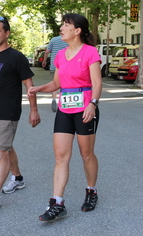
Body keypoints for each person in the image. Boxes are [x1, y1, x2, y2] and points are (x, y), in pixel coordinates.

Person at [28, 13, 102, 221]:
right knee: (61, 156)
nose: (61, 27)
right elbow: (56, 84)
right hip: (65, 108)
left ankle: (91, 191)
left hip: (86, 108)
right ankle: (57, 202)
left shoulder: (90, 52)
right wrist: (38, 88)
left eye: (66, 24)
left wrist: (92, 104)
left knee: (86, 154)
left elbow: (97, 82)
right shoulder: (61, 55)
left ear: (77, 31)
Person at [0, 16, 41, 208]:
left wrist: (34, 111)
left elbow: (30, 85)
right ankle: (18, 178)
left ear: (6, 33)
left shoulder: (16, 57)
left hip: (8, 112)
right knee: (6, 147)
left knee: (1, 151)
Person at [42, 35, 68, 112]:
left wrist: (44, 61)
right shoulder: (67, 40)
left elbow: (47, 52)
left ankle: (54, 99)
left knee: (55, 83)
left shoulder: (53, 39)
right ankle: (63, 101)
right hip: (65, 65)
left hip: (54, 66)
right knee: (65, 84)